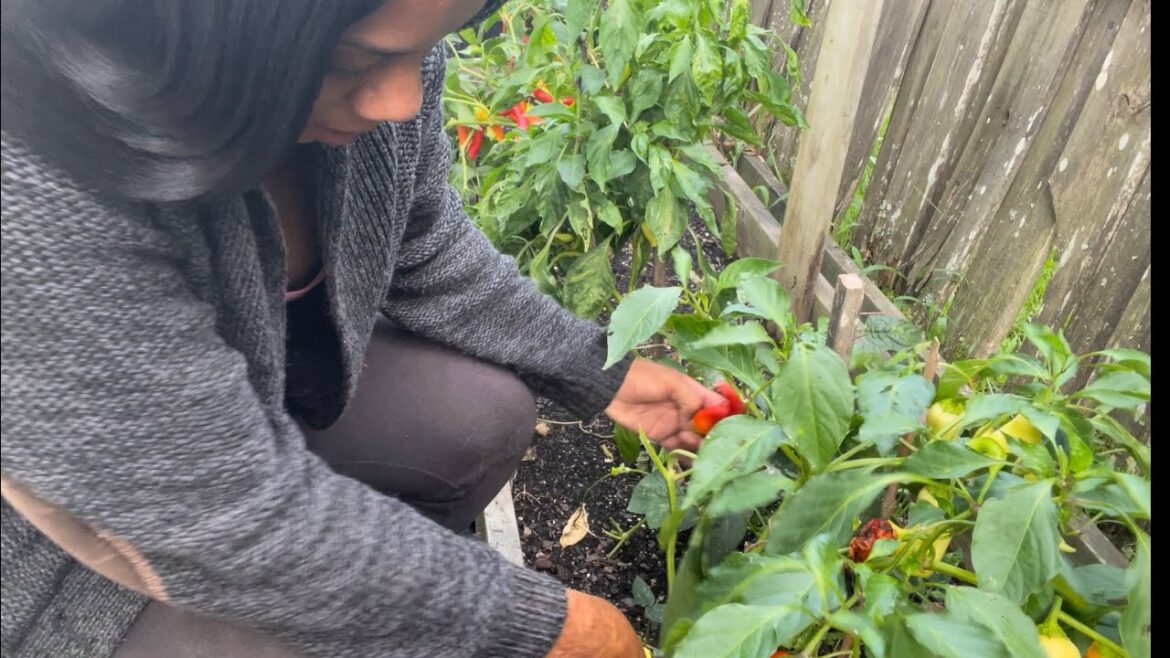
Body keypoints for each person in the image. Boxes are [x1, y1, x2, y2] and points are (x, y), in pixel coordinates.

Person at [0, 0, 726, 656]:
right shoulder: (33, 184)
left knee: (482, 420)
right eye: (356, 59)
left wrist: (602, 371)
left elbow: (422, 242)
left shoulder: (376, 90)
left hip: (249, 423)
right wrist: (550, 628)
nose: (401, 99)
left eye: (429, 47)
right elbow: (228, 513)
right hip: (74, 555)